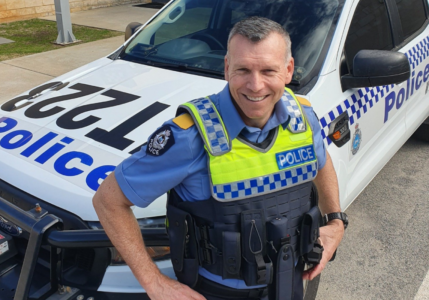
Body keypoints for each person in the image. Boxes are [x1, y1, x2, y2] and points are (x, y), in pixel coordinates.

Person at [93, 16, 345, 300]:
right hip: (218, 293)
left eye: (268, 70)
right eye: (243, 69)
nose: (255, 85)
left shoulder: (303, 117)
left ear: (288, 70)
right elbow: (108, 200)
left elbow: (321, 163)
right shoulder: (189, 138)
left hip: (292, 282)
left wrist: (336, 221)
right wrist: (154, 282)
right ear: (226, 68)